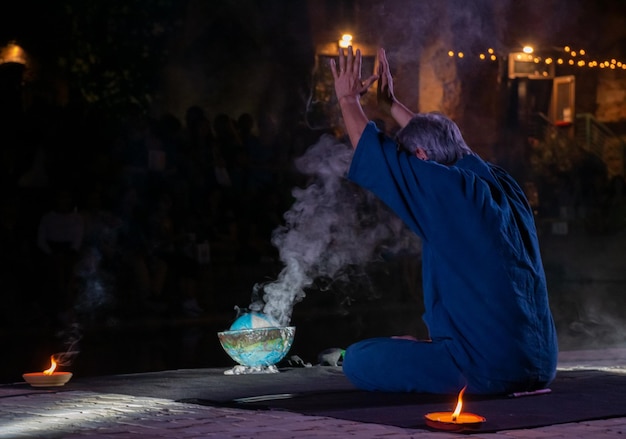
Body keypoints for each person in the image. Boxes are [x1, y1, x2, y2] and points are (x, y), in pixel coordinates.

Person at [330, 46, 558, 395]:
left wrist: (348, 100)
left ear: (422, 157)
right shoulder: (499, 183)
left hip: (486, 367)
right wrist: (392, 104)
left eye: (415, 159)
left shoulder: (449, 190)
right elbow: (449, 142)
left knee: (358, 359)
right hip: (540, 364)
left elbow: (373, 151)